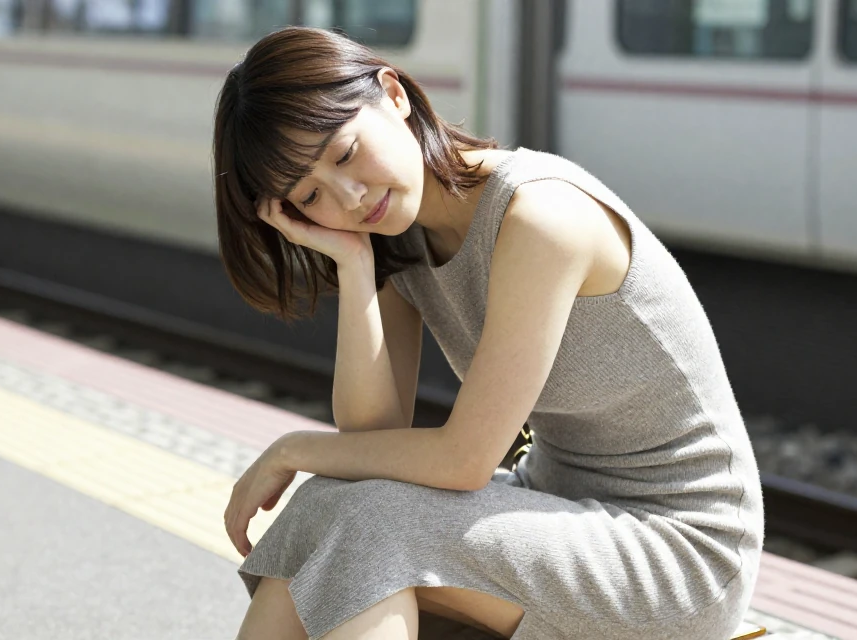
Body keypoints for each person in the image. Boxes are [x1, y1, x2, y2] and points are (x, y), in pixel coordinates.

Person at [212, 26, 763, 640]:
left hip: (680, 554)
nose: (350, 194)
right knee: (330, 505)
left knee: (373, 524)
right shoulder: (399, 233)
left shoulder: (540, 216)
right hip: (561, 512)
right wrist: (357, 265)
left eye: (344, 153)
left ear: (392, 95)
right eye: (310, 196)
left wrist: (292, 449)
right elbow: (371, 441)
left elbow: (465, 461)